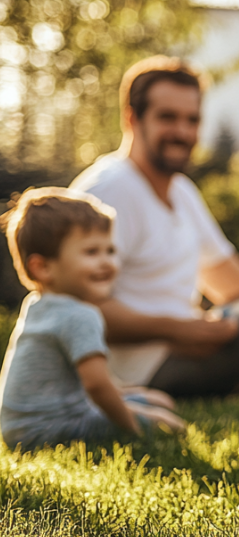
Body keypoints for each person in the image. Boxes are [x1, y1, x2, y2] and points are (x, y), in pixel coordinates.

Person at [70, 56, 239, 396]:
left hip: (185, 342)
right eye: (167, 118)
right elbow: (76, 309)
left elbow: (232, 284)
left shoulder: (182, 191)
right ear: (132, 119)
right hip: (136, 370)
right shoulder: (107, 192)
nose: (183, 132)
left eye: (192, 120)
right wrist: (175, 330)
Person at [0, 188, 184, 451]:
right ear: (43, 267)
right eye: (91, 252)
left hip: (19, 428)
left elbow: (93, 378)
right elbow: (96, 386)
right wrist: (131, 425)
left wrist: (128, 393)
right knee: (167, 421)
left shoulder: (40, 305)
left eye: (109, 250)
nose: (107, 262)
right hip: (51, 429)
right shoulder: (80, 315)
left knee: (152, 399)